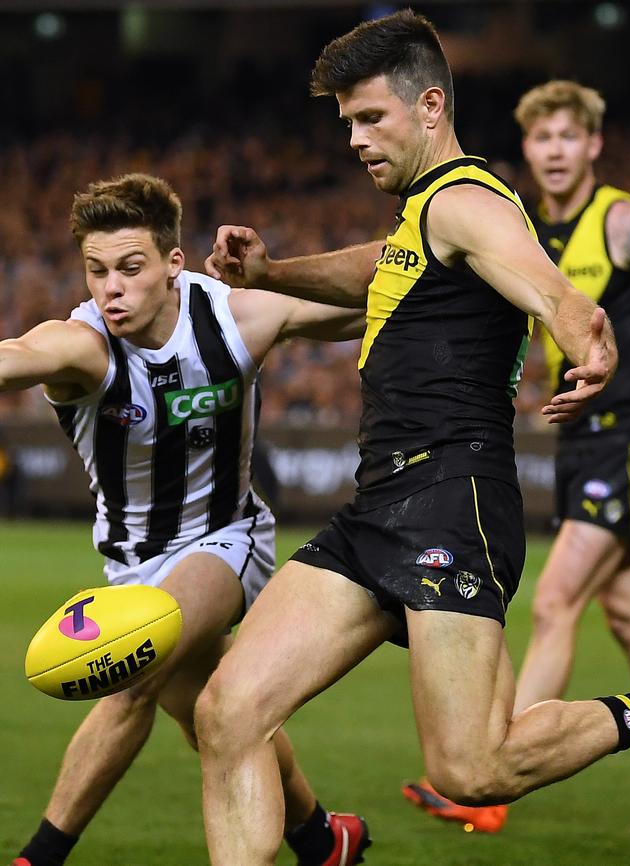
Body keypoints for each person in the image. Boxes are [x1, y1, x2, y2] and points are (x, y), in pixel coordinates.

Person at [190, 12, 630, 866]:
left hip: (452, 503)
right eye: (347, 125)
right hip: (379, 509)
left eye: (371, 119)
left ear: (429, 105)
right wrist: (272, 273)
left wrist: (589, 330)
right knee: (228, 713)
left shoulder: (468, 201)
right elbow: (375, 270)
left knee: (473, 769)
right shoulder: (421, 219)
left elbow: (548, 288)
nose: (355, 140)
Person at [3, 172, 371, 866]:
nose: (111, 288)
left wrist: (468, 262)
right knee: (217, 714)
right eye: (97, 270)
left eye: (131, 268)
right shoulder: (84, 347)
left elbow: (372, 301)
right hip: (131, 562)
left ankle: (38, 857)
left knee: (131, 670)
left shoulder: (236, 319)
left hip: (225, 539)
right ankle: (324, 839)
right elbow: (17, 356)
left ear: (174, 264)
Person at [401, 78, 630, 835]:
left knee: (555, 600)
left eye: (568, 137)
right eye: (542, 139)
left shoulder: (626, 223)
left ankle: (489, 783)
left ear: (593, 146)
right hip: (585, 441)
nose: (554, 151)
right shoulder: (526, 231)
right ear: (529, 150)